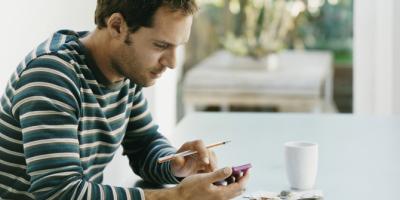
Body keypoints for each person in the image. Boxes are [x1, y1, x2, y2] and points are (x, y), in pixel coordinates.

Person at [0, 0, 249, 199]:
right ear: (117, 26)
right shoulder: (51, 75)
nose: (172, 63)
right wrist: (177, 197)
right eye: (161, 45)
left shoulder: (124, 71)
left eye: (178, 46)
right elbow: (58, 192)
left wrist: (176, 164)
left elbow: (144, 143)